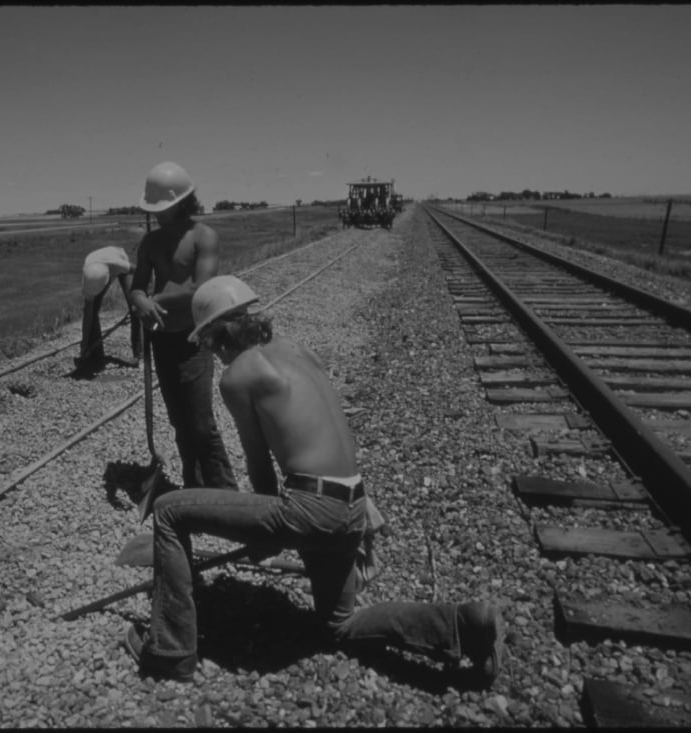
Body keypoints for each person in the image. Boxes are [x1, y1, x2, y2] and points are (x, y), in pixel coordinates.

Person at [123, 276, 504, 686]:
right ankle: (463, 625)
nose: (213, 355)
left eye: (210, 344)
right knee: (339, 624)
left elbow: (259, 463)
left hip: (312, 507)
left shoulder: (237, 377)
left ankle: (170, 650)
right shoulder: (297, 350)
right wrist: (353, 506)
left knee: (168, 510)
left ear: (219, 335)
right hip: (353, 502)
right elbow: (332, 429)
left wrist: (266, 538)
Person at [128, 161, 237, 490]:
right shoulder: (150, 243)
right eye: (155, 208)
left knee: (201, 423)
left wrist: (154, 300)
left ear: (182, 201)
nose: (158, 214)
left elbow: (202, 290)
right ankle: (194, 487)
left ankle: (226, 493)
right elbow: (136, 287)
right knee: (179, 420)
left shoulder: (204, 236)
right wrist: (140, 300)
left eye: (164, 207)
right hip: (162, 341)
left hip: (195, 340)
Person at [75, 245, 142, 374]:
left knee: (135, 308)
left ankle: (138, 355)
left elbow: (139, 271)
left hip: (118, 256)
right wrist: (84, 343)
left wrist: (142, 294)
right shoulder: (89, 276)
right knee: (92, 311)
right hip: (97, 264)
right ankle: (95, 354)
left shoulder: (119, 264)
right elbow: (88, 314)